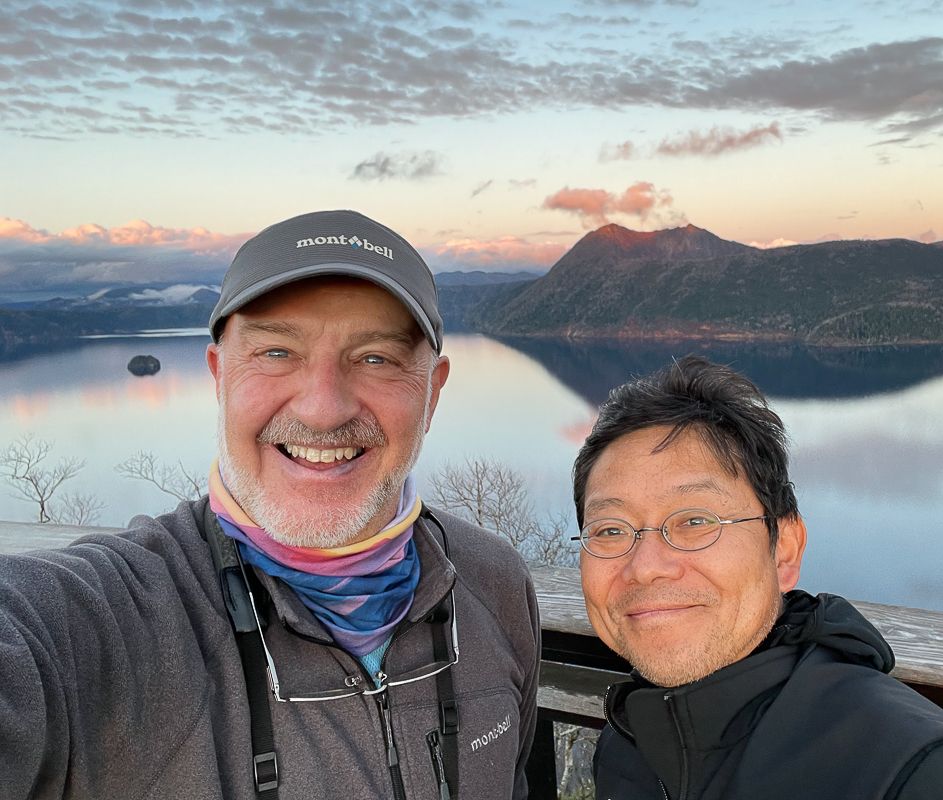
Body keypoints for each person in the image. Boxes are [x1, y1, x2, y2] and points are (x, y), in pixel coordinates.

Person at [0, 210, 540, 800]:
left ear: (432, 393)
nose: (323, 409)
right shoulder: (104, 618)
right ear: (219, 375)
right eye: (278, 352)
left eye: (376, 358)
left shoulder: (493, 583)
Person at [571, 355, 943, 800]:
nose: (647, 565)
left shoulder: (919, 775)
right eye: (610, 530)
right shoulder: (631, 742)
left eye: (694, 521)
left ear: (784, 549)